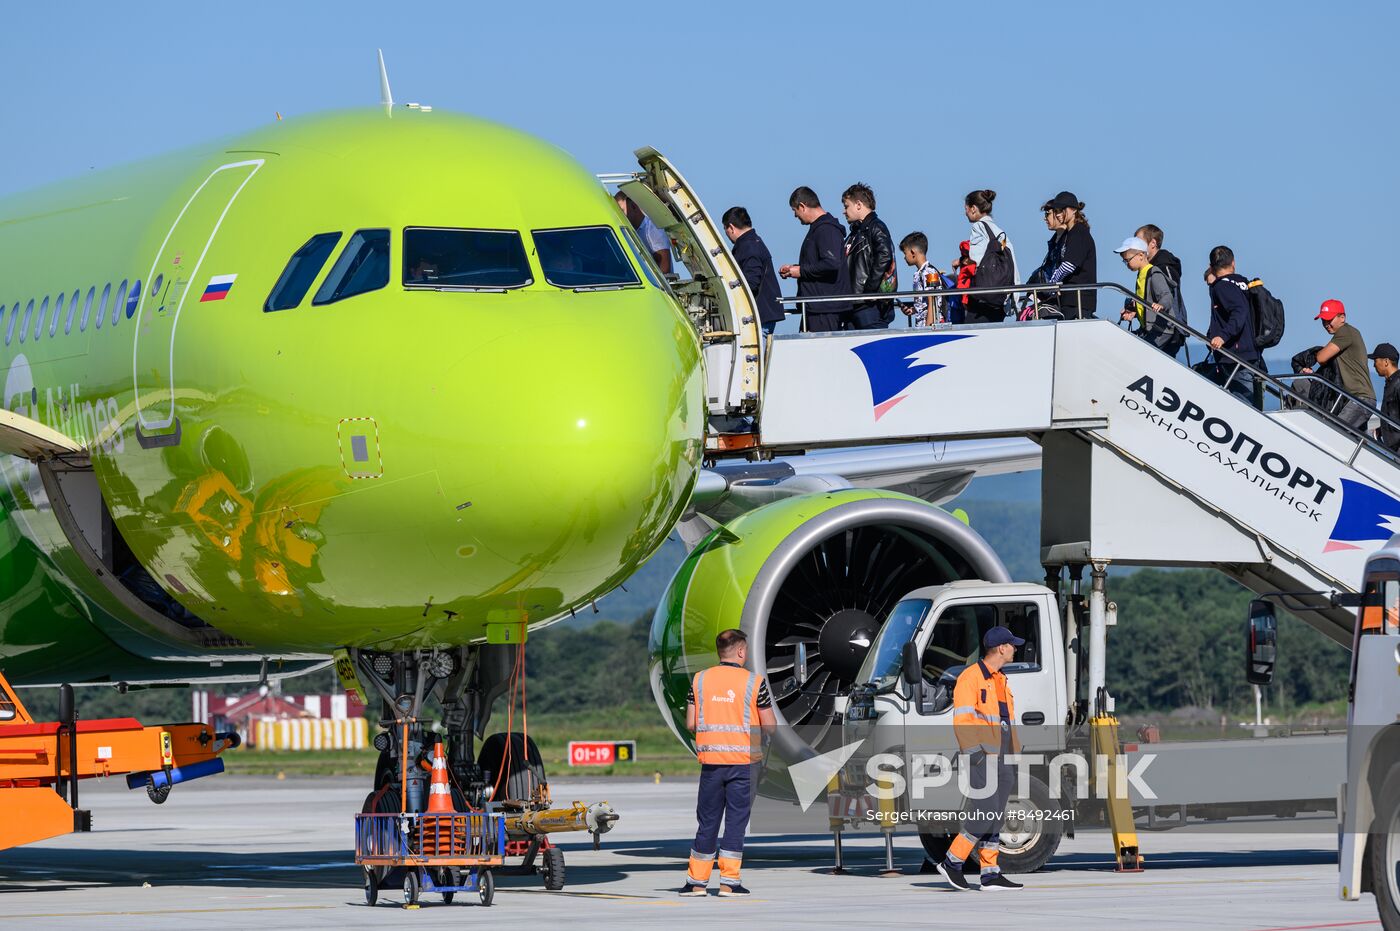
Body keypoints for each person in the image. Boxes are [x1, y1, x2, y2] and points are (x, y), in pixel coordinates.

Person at [680, 629, 776, 898]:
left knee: (707, 822)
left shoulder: (699, 681)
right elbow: (770, 727)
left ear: (720, 651)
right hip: (745, 765)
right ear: (742, 651)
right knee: (736, 823)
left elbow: (690, 723)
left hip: (711, 764)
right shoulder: (754, 683)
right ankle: (728, 883)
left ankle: (697, 883)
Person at [935, 626, 1026, 892]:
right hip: (982, 757)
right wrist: (973, 754)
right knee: (984, 812)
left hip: (1004, 756)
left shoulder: (1001, 679)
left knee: (996, 815)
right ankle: (952, 861)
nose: (1015, 648)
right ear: (1001, 648)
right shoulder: (970, 678)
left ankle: (990, 872)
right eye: (1012, 645)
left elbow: (1005, 722)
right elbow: (963, 719)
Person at [780, 187, 853, 332]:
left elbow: (831, 264)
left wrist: (801, 271)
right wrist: (794, 269)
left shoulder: (826, 230)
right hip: (816, 308)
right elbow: (821, 263)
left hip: (825, 310)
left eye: (795, 211)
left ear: (802, 206)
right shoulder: (820, 229)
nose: (795, 216)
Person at [1302, 300, 1375, 431]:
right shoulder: (1348, 333)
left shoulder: (1345, 331)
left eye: (1329, 319)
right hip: (1359, 399)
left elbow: (1321, 358)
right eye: (1323, 320)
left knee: (1334, 433)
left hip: (1359, 399)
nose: (1326, 324)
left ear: (1342, 317)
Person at [1205, 246, 1262, 406]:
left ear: (1212, 266)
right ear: (1233, 263)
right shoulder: (1242, 283)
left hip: (1235, 355)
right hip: (1248, 351)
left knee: (1242, 404)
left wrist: (1222, 336)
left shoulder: (1222, 286)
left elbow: (1239, 311)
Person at [1114, 236, 1182, 356]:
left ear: (1141, 255)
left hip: (1161, 329)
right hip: (1149, 328)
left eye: (1128, 260)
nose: (1126, 264)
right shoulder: (1141, 275)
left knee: (1142, 354)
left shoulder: (1153, 273)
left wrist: (1161, 305)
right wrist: (1134, 311)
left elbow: (1167, 296)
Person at [840, 183, 895, 329]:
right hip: (855, 304)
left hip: (869, 307)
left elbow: (885, 255)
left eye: (846, 206)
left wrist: (869, 291)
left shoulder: (876, 226)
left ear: (858, 204)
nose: (844, 212)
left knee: (876, 349)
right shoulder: (856, 232)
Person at [723, 207, 784, 336]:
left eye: (725, 230)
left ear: (731, 227)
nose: (726, 234)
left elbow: (751, 282)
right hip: (763, 315)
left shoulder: (748, 246)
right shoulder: (753, 242)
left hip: (759, 317)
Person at [963, 189, 1018, 323]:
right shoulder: (1000, 232)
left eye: (966, 209)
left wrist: (961, 261)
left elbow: (976, 260)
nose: (965, 213)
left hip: (983, 299)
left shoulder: (979, 227)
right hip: (1000, 300)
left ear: (974, 208)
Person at [1039, 191, 1097, 318]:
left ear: (1073, 210)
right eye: (1056, 211)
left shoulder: (1079, 232)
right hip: (1069, 300)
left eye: (1061, 210)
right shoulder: (1070, 234)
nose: (1058, 214)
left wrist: (1052, 284)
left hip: (1079, 301)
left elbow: (1069, 265)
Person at [1134, 223, 1186, 328]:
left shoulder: (1164, 266)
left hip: (1168, 328)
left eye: (1139, 242)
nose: (1135, 246)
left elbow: (1171, 295)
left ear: (1153, 243)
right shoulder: (1145, 268)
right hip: (1152, 326)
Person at [615, 191, 673, 274]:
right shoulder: (629, 231)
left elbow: (665, 267)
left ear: (634, 206)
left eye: (622, 210)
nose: (621, 215)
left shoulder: (652, 227)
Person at [899, 232, 940, 327]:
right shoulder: (919, 273)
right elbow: (925, 304)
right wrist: (913, 310)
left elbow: (933, 303)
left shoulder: (929, 272)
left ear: (913, 252)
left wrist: (929, 329)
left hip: (928, 329)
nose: (904, 257)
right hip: (921, 327)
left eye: (905, 253)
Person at [1369, 343, 1400, 452]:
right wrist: (1382, 429)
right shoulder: (1391, 383)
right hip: (1394, 448)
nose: (1373, 365)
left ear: (1386, 362)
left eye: (1375, 361)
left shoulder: (1398, 382)